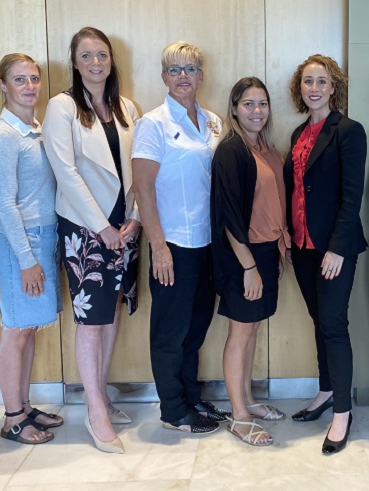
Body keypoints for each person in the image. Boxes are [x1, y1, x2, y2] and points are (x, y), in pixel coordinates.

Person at [44, 27, 141, 454]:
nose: (96, 63)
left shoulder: (126, 107)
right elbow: (65, 172)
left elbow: (139, 166)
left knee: (113, 310)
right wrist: (100, 225)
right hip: (86, 228)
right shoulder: (62, 107)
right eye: (87, 56)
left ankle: (98, 396)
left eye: (102, 55)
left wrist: (134, 219)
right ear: (76, 62)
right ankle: (95, 409)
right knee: (91, 320)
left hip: (125, 227)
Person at [132, 41, 229, 435]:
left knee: (196, 326)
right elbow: (143, 189)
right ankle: (173, 410)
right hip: (172, 243)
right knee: (170, 332)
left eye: (190, 69)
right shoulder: (152, 124)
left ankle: (190, 395)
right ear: (163, 77)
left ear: (201, 76)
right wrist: (158, 247)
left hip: (209, 244)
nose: (183, 76)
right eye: (174, 70)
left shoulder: (214, 122)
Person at [285, 54, 367, 454]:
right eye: (307, 82)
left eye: (321, 81)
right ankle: (325, 390)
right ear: (299, 90)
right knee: (319, 320)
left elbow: (353, 196)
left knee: (334, 324)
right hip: (302, 246)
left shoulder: (348, 131)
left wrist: (336, 248)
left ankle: (342, 412)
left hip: (335, 248)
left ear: (333, 87)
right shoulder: (298, 133)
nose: (313, 88)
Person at [0, 53, 62, 446]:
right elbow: (5, 205)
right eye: (20, 80)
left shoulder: (33, 127)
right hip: (22, 244)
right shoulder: (3, 136)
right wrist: (28, 260)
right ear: (3, 85)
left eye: (34, 78)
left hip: (43, 237)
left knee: (29, 329)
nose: (30, 86)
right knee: (16, 331)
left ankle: (24, 405)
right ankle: (12, 418)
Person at [211, 77, 290, 446]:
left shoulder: (267, 148)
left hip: (267, 250)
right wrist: (248, 267)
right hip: (244, 255)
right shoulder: (231, 150)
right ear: (234, 109)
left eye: (262, 104)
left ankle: (249, 400)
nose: (256, 111)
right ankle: (238, 416)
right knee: (240, 332)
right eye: (248, 104)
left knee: (254, 326)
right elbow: (228, 216)